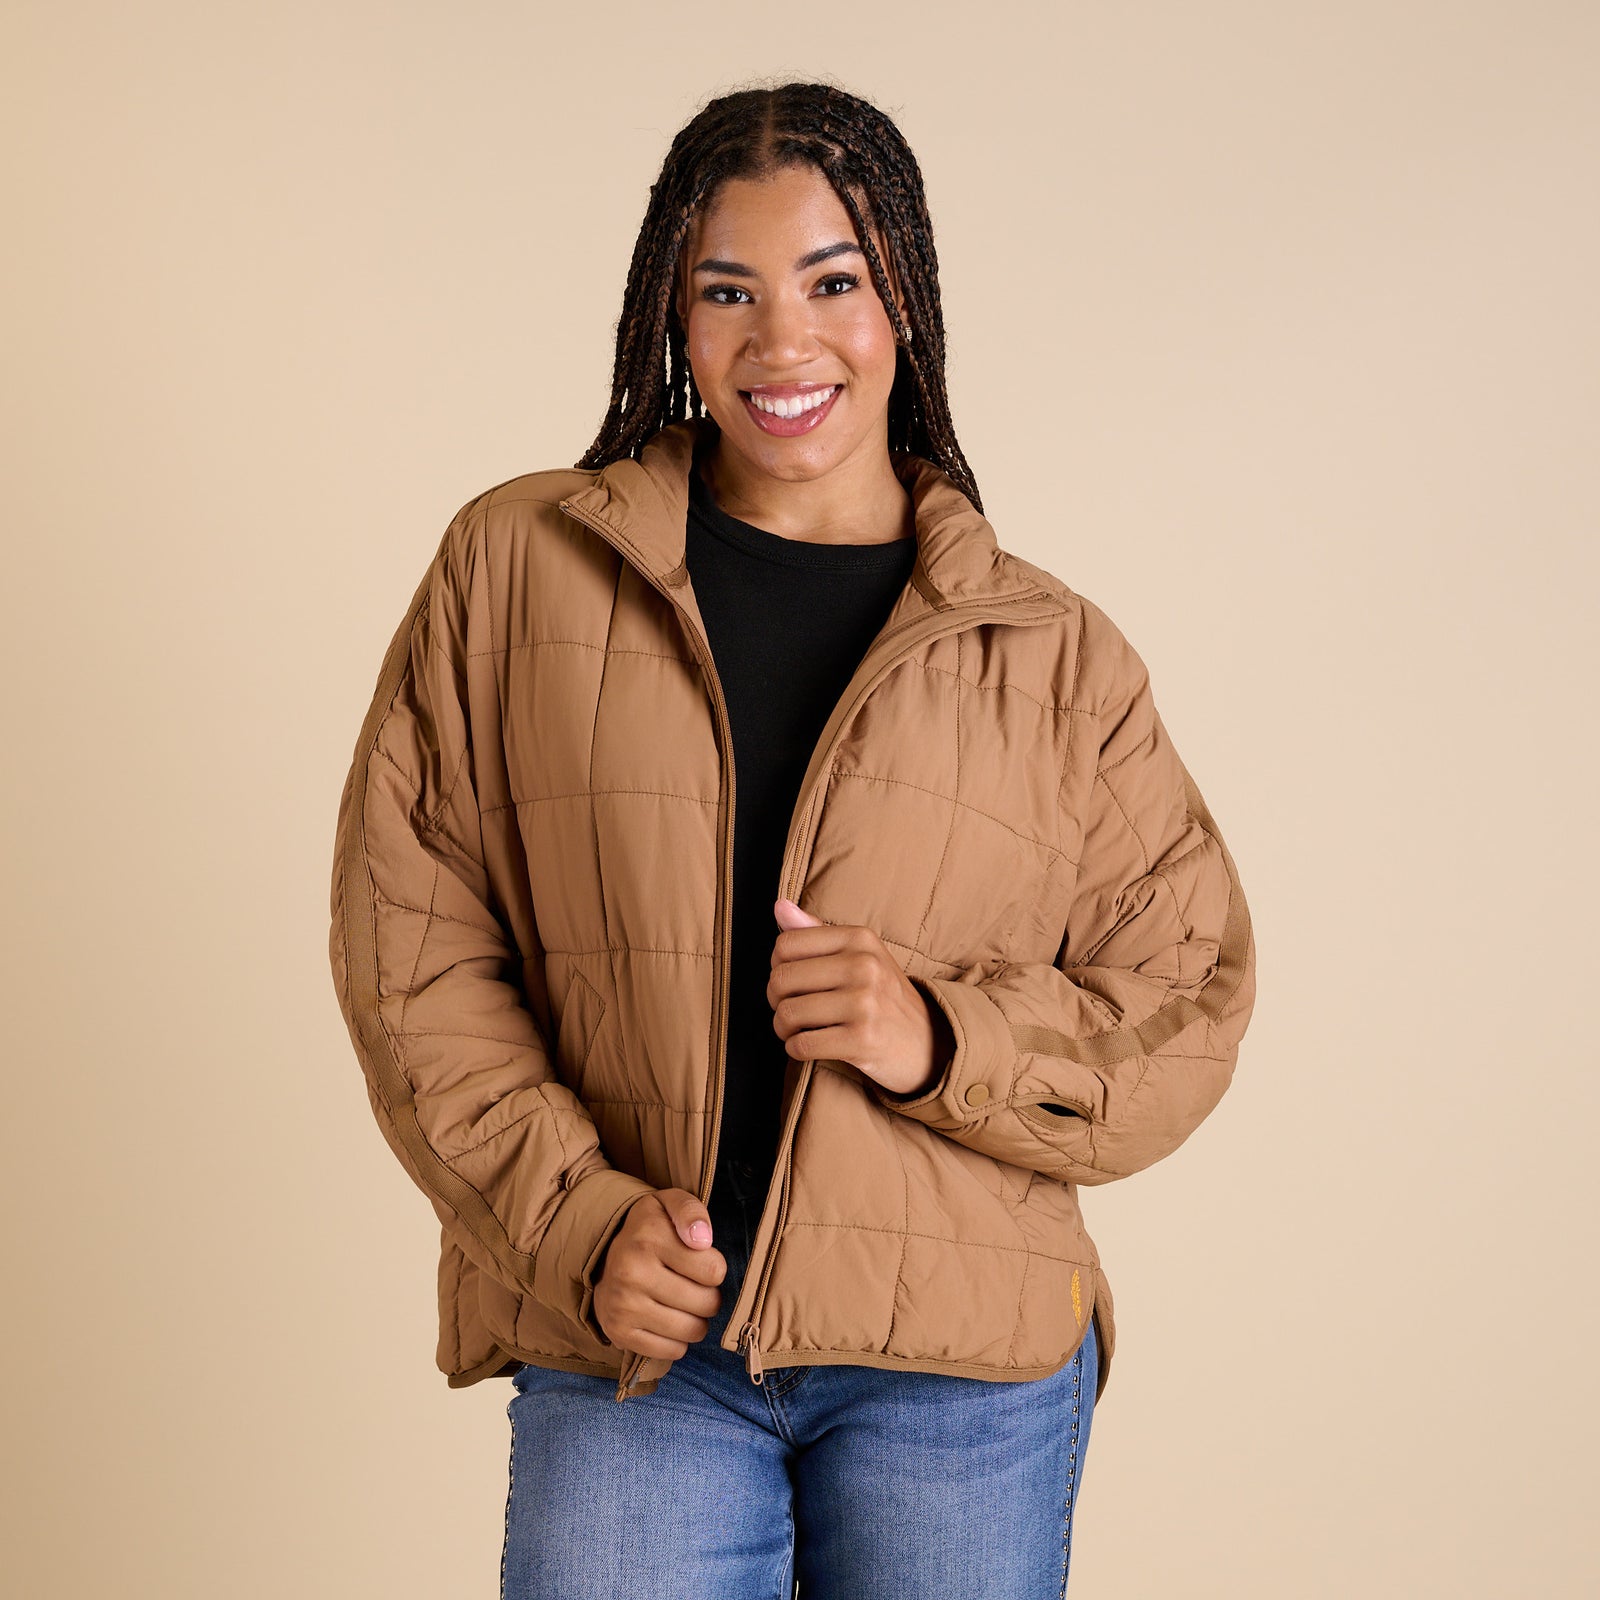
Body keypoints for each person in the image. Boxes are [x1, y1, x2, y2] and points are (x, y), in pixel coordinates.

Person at [328, 78, 1256, 1600]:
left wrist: (942, 1035)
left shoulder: (1052, 653)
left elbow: (1189, 998)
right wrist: (576, 1219)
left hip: (960, 1371)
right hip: (644, 1340)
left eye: (834, 282)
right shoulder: (518, 573)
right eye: (728, 292)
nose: (784, 343)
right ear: (670, 319)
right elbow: (411, 947)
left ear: (904, 303)